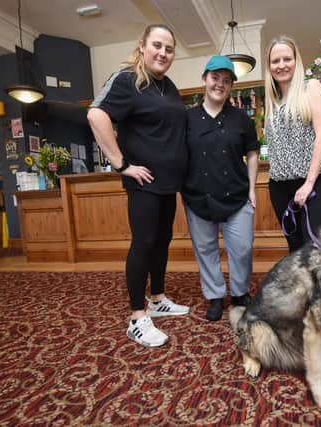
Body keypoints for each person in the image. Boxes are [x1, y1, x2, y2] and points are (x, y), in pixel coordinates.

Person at [87, 24, 189, 348]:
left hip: (168, 183)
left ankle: (157, 298)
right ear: (143, 46)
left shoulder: (169, 87)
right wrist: (121, 164)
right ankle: (136, 317)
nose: (163, 53)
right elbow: (96, 115)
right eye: (157, 45)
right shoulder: (127, 79)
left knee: (163, 240)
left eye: (169, 49)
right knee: (143, 243)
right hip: (143, 182)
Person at [182, 56, 259, 321]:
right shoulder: (187, 118)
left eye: (226, 81)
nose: (220, 84)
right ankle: (215, 295)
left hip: (237, 195)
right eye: (215, 78)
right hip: (197, 196)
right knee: (205, 250)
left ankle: (239, 293)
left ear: (231, 87)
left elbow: (252, 153)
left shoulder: (241, 119)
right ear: (204, 79)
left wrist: (252, 189)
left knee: (242, 247)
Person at [264, 35, 321, 253]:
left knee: (313, 248)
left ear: (297, 61)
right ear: (269, 67)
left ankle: (320, 288)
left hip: (314, 183)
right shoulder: (272, 100)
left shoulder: (311, 87)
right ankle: (301, 289)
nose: (281, 65)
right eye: (275, 61)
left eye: (287, 59)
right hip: (280, 186)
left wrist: (309, 183)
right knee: (295, 248)